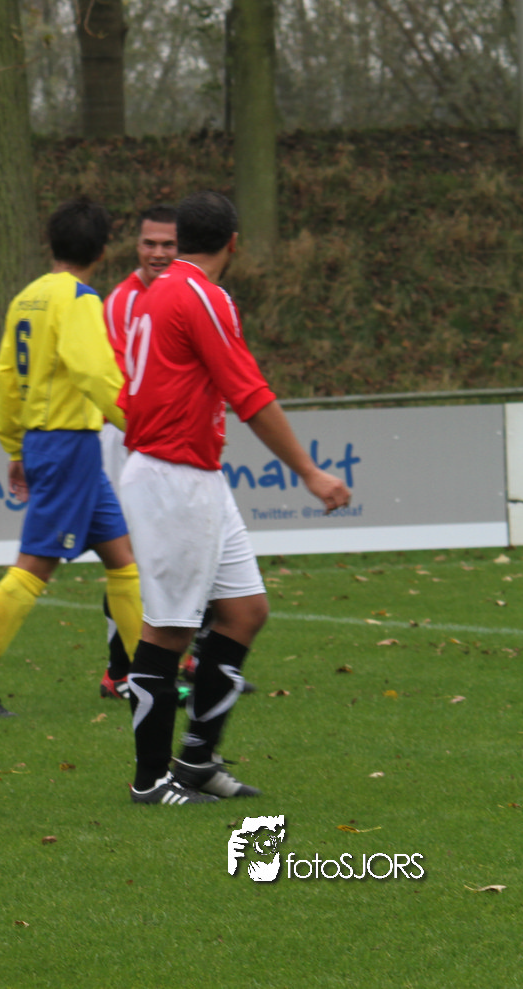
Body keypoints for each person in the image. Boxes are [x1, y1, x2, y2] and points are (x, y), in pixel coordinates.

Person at [117, 190, 350, 805]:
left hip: (190, 472)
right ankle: (150, 781)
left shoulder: (156, 290)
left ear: (181, 238)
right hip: (172, 475)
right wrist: (309, 472)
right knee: (168, 630)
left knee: (245, 610)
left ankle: (196, 761)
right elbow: (249, 394)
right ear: (234, 243)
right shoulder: (201, 295)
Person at [0, 198, 144, 719]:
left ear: (51, 245)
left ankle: (149, 678)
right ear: (103, 252)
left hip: (51, 442)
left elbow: (7, 376)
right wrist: (142, 424)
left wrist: (15, 445)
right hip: (67, 442)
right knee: (35, 564)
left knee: (122, 560)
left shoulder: (27, 297)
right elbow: (93, 372)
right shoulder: (79, 298)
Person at [96, 205, 177, 699]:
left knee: (172, 550)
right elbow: (124, 383)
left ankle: (178, 656)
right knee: (131, 556)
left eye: (168, 244)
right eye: (150, 243)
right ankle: (120, 670)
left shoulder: (185, 296)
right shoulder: (122, 302)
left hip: (168, 437)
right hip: (126, 436)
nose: (158, 253)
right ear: (137, 246)